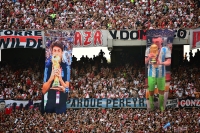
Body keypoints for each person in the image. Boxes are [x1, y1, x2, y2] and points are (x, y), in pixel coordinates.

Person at [42, 41, 69, 114]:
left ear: (62, 53)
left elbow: (67, 89)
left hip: (62, 104)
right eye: (55, 51)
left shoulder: (66, 67)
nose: (56, 53)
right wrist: (51, 78)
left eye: (58, 51)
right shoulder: (47, 67)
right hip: (50, 103)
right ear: (52, 52)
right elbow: (43, 91)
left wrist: (60, 80)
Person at [145, 37, 171, 111]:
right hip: (151, 74)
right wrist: (148, 57)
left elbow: (169, 61)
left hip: (161, 74)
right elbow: (145, 61)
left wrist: (161, 63)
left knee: (161, 91)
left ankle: (161, 107)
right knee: (151, 91)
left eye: (157, 40)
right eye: (154, 40)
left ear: (161, 41)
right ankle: (152, 107)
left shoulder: (166, 50)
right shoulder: (148, 50)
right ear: (152, 41)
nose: (156, 41)